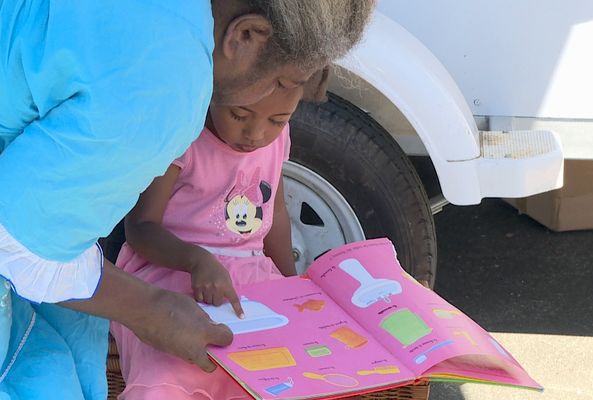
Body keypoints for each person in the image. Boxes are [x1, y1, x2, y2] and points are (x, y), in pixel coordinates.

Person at [0, 1, 375, 398]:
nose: (279, 99)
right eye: (283, 78)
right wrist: (149, 310)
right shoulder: (169, 80)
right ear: (245, 35)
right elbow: (20, 241)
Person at [110, 68, 330, 400]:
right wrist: (196, 260)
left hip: (253, 283)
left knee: (273, 371)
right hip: (170, 275)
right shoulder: (184, 137)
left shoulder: (277, 139)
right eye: (240, 114)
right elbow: (140, 228)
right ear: (213, 90)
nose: (256, 133)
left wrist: (292, 286)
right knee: (170, 370)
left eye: (278, 119)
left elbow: (276, 213)